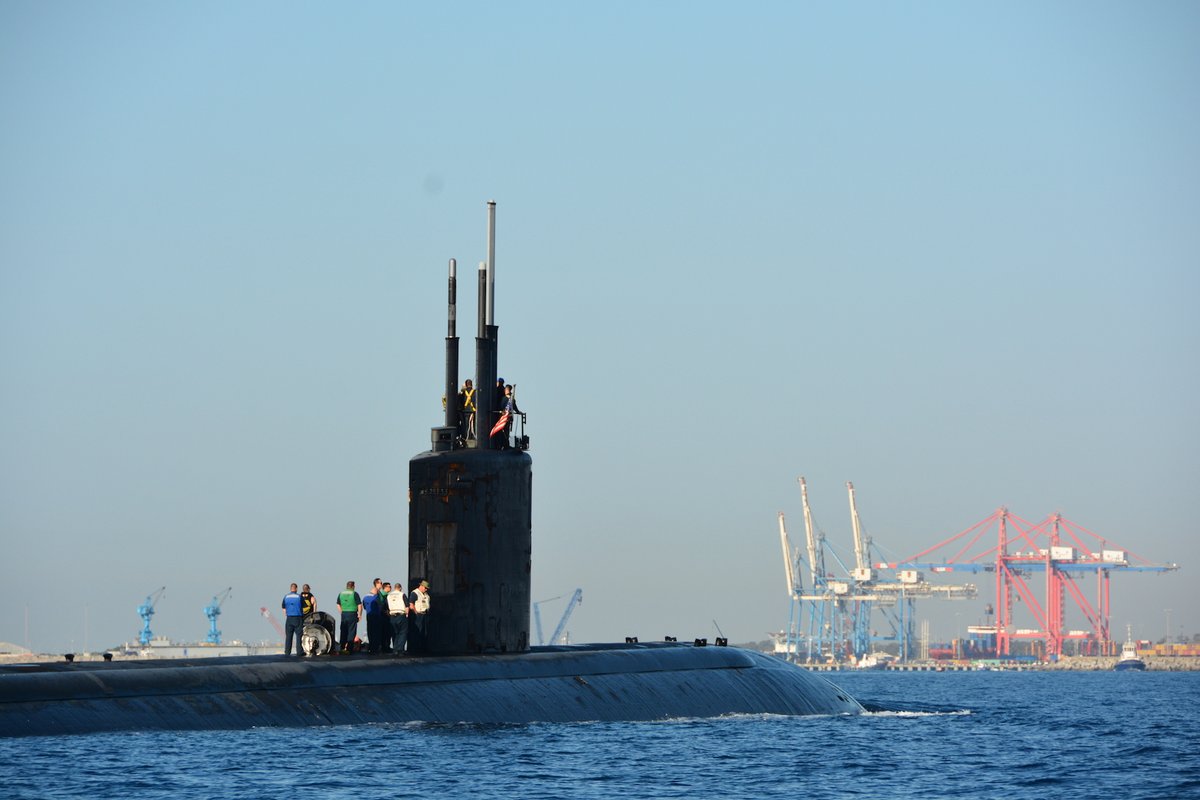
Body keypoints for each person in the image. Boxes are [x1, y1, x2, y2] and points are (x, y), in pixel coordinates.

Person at [336, 580, 362, 653]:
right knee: (351, 631)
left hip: (344, 614)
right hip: (352, 613)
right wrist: (359, 615)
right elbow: (359, 605)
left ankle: (342, 647)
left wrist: (341, 612)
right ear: (353, 586)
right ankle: (349, 649)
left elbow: (338, 604)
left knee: (343, 630)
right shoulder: (354, 594)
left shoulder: (341, 593)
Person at [363, 578, 385, 654]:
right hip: (376, 616)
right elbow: (381, 605)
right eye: (381, 583)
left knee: (370, 632)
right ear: (377, 583)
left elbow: (364, 607)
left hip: (369, 615)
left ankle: (372, 648)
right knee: (376, 632)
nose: (381, 585)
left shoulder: (365, 597)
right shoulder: (377, 596)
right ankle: (375, 649)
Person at [386, 581, 409, 655]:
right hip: (401, 614)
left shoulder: (389, 595)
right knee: (402, 632)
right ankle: (400, 650)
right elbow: (407, 606)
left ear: (394, 588)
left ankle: (395, 649)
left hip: (392, 615)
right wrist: (407, 614)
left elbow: (386, 606)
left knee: (394, 633)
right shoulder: (402, 594)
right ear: (400, 588)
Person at [409, 579, 431, 654]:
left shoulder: (426, 595)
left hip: (425, 614)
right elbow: (411, 605)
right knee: (417, 631)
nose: (426, 589)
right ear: (421, 586)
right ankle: (415, 649)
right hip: (418, 614)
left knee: (424, 632)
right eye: (425, 588)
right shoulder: (415, 593)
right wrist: (416, 612)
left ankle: (422, 648)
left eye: (427, 588)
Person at [282, 583, 303, 656]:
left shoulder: (286, 597)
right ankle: (299, 652)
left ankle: (287, 652)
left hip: (289, 618)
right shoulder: (299, 596)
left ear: (290, 588)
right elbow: (303, 606)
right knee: (299, 636)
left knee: (288, 636)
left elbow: (283, 607)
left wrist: (287, 614)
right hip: (298, 617)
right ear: (296, 589)